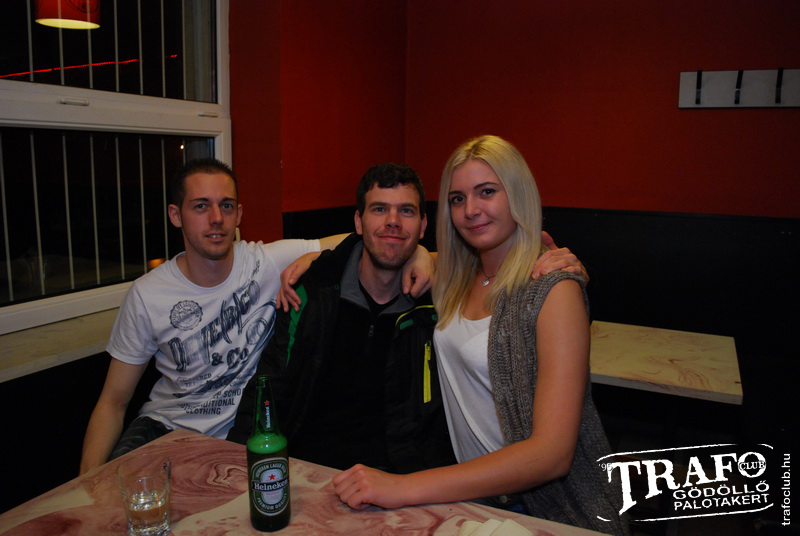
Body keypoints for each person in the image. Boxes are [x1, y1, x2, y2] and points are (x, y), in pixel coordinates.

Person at [332, 137, 629, 536]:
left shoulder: (553, 287)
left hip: (549, 510)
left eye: (487, 192)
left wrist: (402, 487)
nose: (470, 210)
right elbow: (388, 246)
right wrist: (313, 258)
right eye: (457, 199)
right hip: (475, 501)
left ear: (517, 195)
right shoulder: (456, 278)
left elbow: (552, 455)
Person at [79, 158, 431, 474]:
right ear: (175, 215)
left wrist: (420, 253)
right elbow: (113, 402)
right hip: (165, 430)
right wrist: (86, 482)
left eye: (226, 205)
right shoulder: (147, 294)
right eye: (201, 206)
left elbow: (364, 241)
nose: (216, 218)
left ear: (239, 214)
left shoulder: (266, 262)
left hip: (247, 434)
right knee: (118, 502)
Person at [229, 163, 457, 473]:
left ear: (423, 225)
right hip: (311, 469)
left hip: (400, 477)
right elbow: (272, 385)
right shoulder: (313, 291)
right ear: (358, 222)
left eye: (406, 211)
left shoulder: (436, 305)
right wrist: (234, 463)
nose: (393, 221)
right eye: (379, 209)